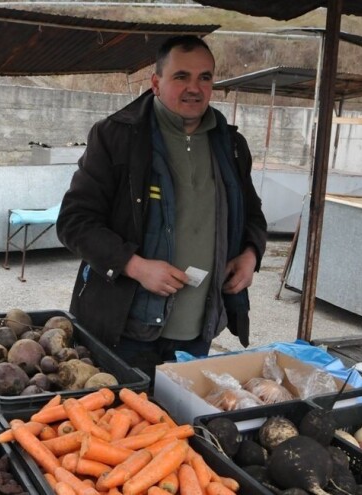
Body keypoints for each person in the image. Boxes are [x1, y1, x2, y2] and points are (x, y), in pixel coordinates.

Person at [56, 35, 267, 381]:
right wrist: (134, 265)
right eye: (181, 76)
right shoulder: (116, 137)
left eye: (205, 77)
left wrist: (250, 255)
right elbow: (74, 222)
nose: (194, 88)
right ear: (156, 82)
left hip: (198, 329)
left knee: (180, 427)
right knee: (120, 423)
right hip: (125, 328)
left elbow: (253, 216)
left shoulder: (231, 145)